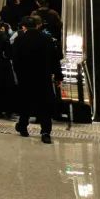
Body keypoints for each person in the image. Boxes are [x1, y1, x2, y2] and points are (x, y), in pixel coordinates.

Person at [12, 15, 63, 144]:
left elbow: (15, 60)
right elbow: (55, 59)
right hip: (43, 77)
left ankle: (23, 127)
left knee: (25, 102)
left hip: (25, 77)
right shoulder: (47, 39)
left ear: (24, 27)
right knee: (44, 105)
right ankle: (45, 132)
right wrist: (58, 76)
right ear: (37, 25)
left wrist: (19, 75)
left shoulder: (19, 40)